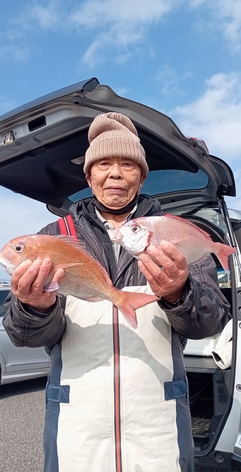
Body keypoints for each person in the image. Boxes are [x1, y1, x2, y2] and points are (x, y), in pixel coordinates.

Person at [3, 112, 230, 472]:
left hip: (158, 416)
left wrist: (179, 293)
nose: (115, 174)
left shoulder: (172, 231)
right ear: (89, 174)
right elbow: (24, 335)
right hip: (77, 419)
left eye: (127, 164)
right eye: (104, 163)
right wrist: (34, 307)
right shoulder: (52, 235)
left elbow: (211, 322)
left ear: (140, 176)